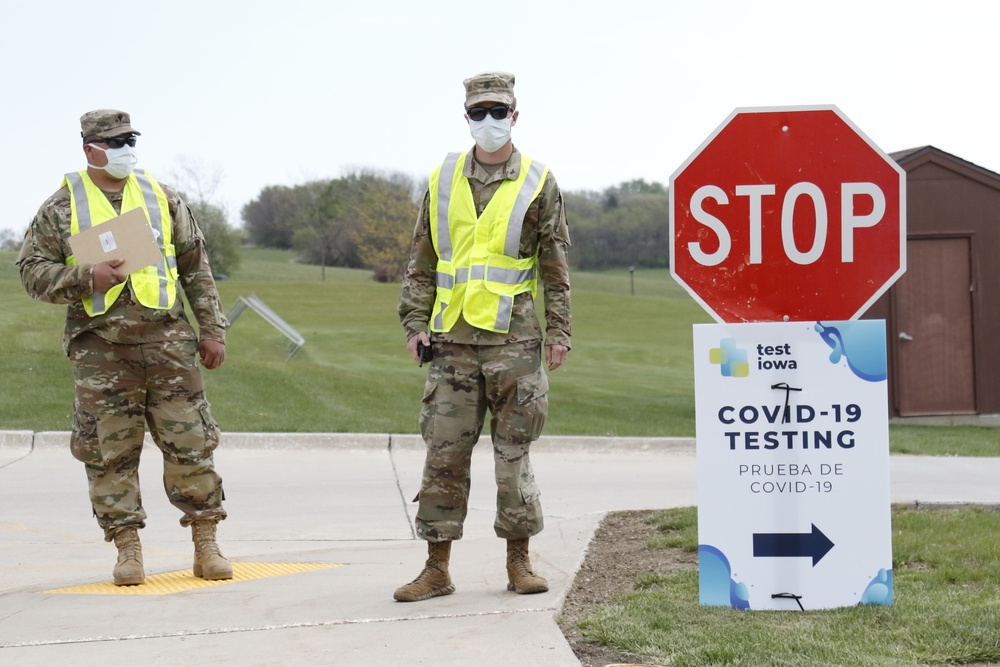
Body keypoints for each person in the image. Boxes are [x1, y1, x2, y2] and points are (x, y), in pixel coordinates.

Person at [17, 109, 233, 586]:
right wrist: (82, 276)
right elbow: (31, 272)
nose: (125, 150)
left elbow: (196, 268)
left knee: (191, 444)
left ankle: (206, 542)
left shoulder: (162, 196)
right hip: (102, 352)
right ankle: (128, 549)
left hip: (169, 344)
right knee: (109, 452)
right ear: (89, 149)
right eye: (114, 143)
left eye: (129, 140)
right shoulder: (61, 207)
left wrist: (213, 330)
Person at [395, 72, 572, 602]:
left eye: (499, 111)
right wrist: (414, 323)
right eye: (479, 112)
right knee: (443, 455)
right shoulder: (442, 177)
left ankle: (519, 562)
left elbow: (555, 267)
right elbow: (422, 260)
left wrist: (559, 332)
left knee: (512, 455)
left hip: (514, 342)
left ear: (515, 116)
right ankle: (436, 569)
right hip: (451, 343)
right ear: (466, 117)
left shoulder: (539, 181)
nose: (489, 121)